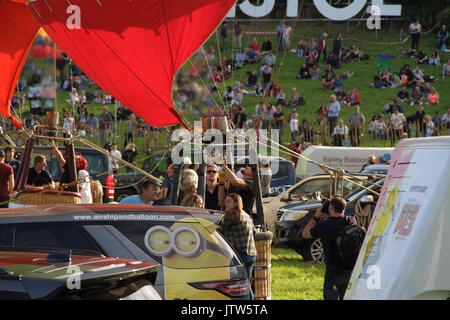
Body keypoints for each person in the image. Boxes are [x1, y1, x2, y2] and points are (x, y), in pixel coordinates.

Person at [302, 195, 354, 300]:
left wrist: (316, 216)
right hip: (349, 269)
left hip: (333, 270)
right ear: (344, 208)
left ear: (330, 207)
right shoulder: (351, 221)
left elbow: (305, 234)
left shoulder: (325, 225)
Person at [218, 193, 257, 300]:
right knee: (246, 282)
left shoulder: (230, 215)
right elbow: (254, 232)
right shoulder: (246, 215)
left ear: (236, 203)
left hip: (239, 255)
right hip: (251, 254)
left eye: (229, 201)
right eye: (226, 201)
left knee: (238, 283)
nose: (225, 203)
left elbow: (220, 233)